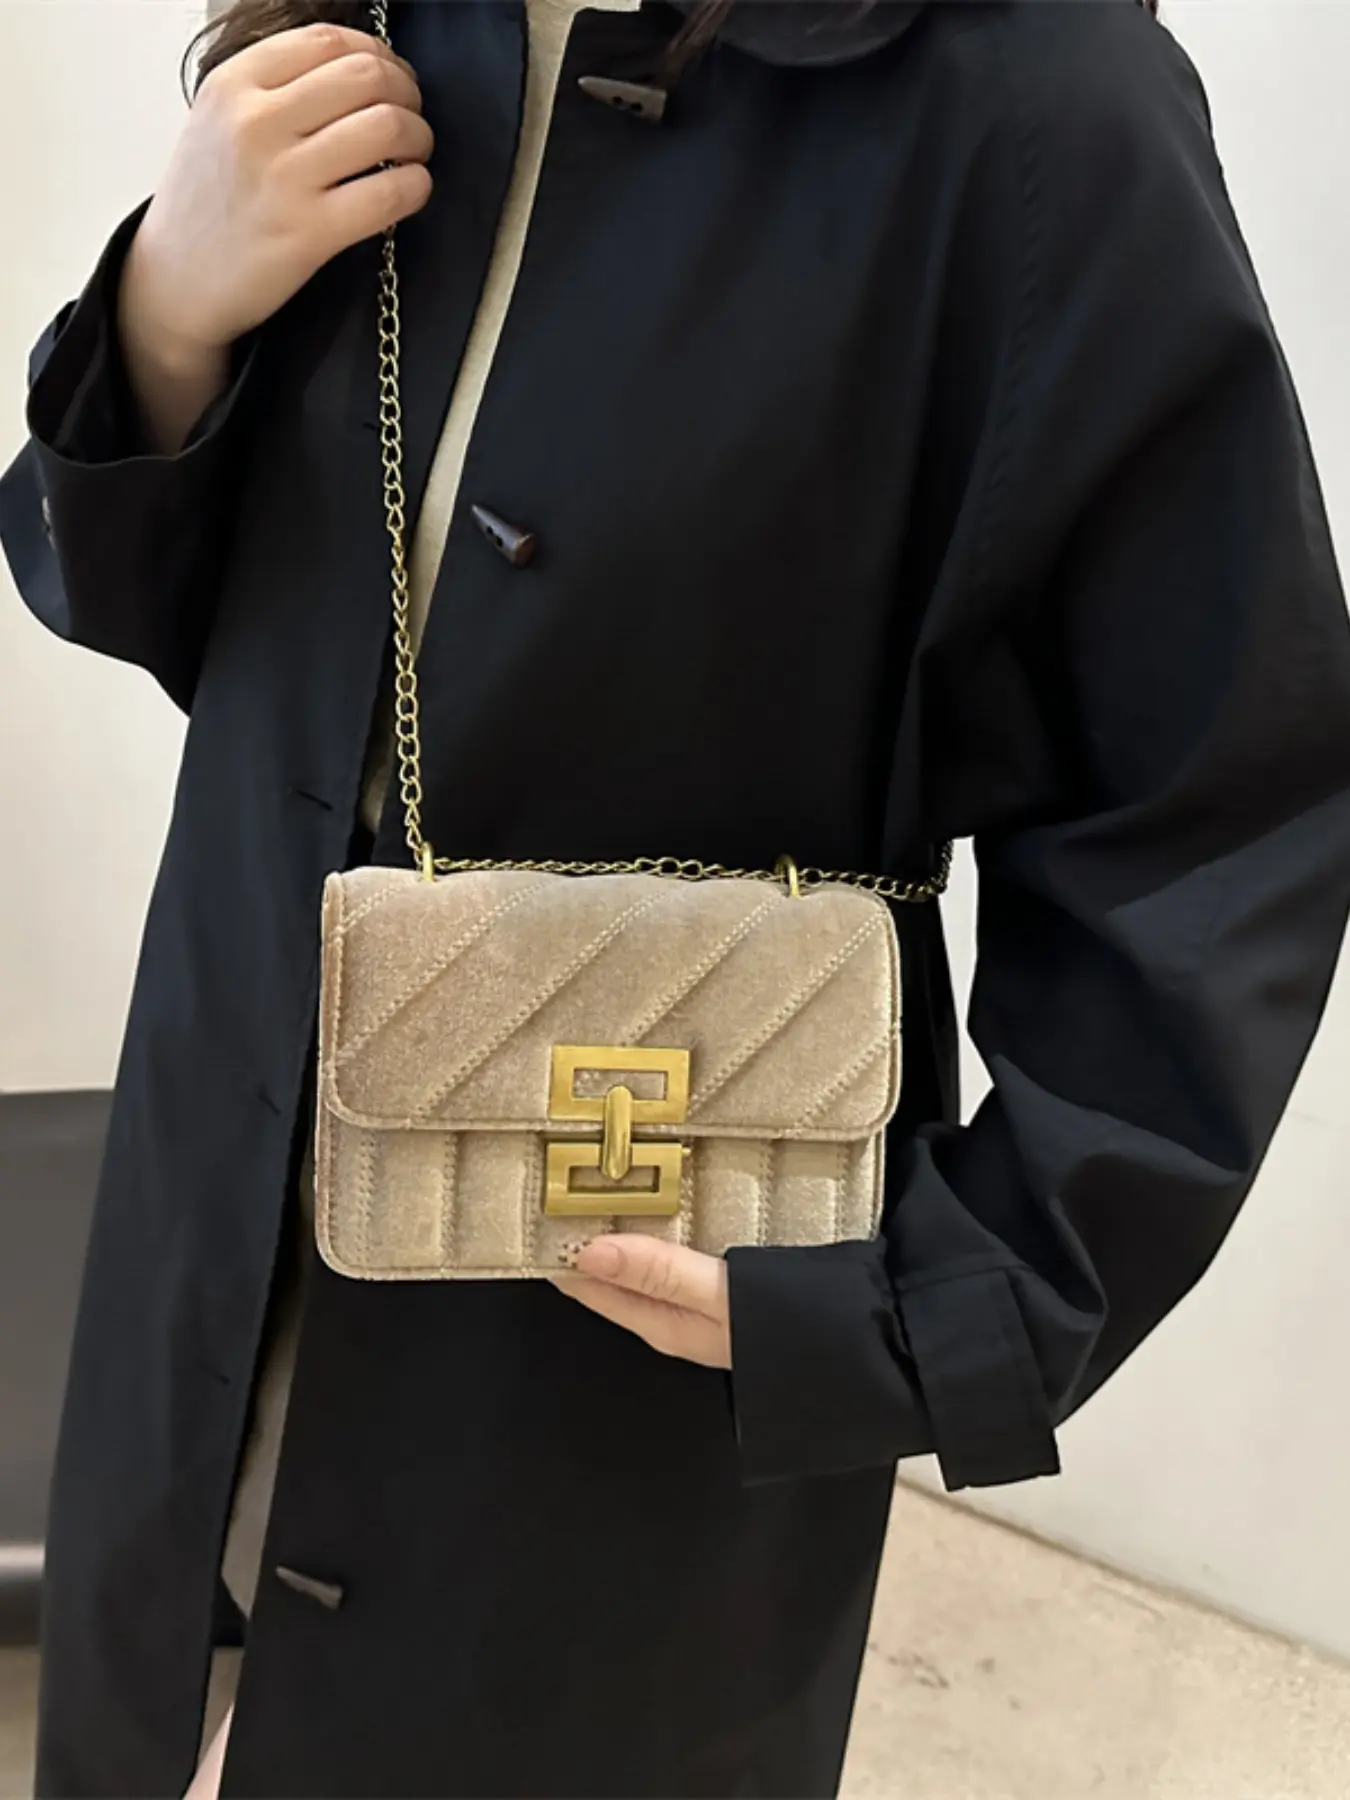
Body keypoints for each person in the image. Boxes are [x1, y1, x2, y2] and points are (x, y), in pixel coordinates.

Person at [4, 0, 1350, 1794]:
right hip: (213, 1190)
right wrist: (167, 320)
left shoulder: (1037, 96)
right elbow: (249, 650)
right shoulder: (377, 24)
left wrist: (944, 1293)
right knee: (140, 1708)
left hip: (628, 1307)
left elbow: (1214, 797)